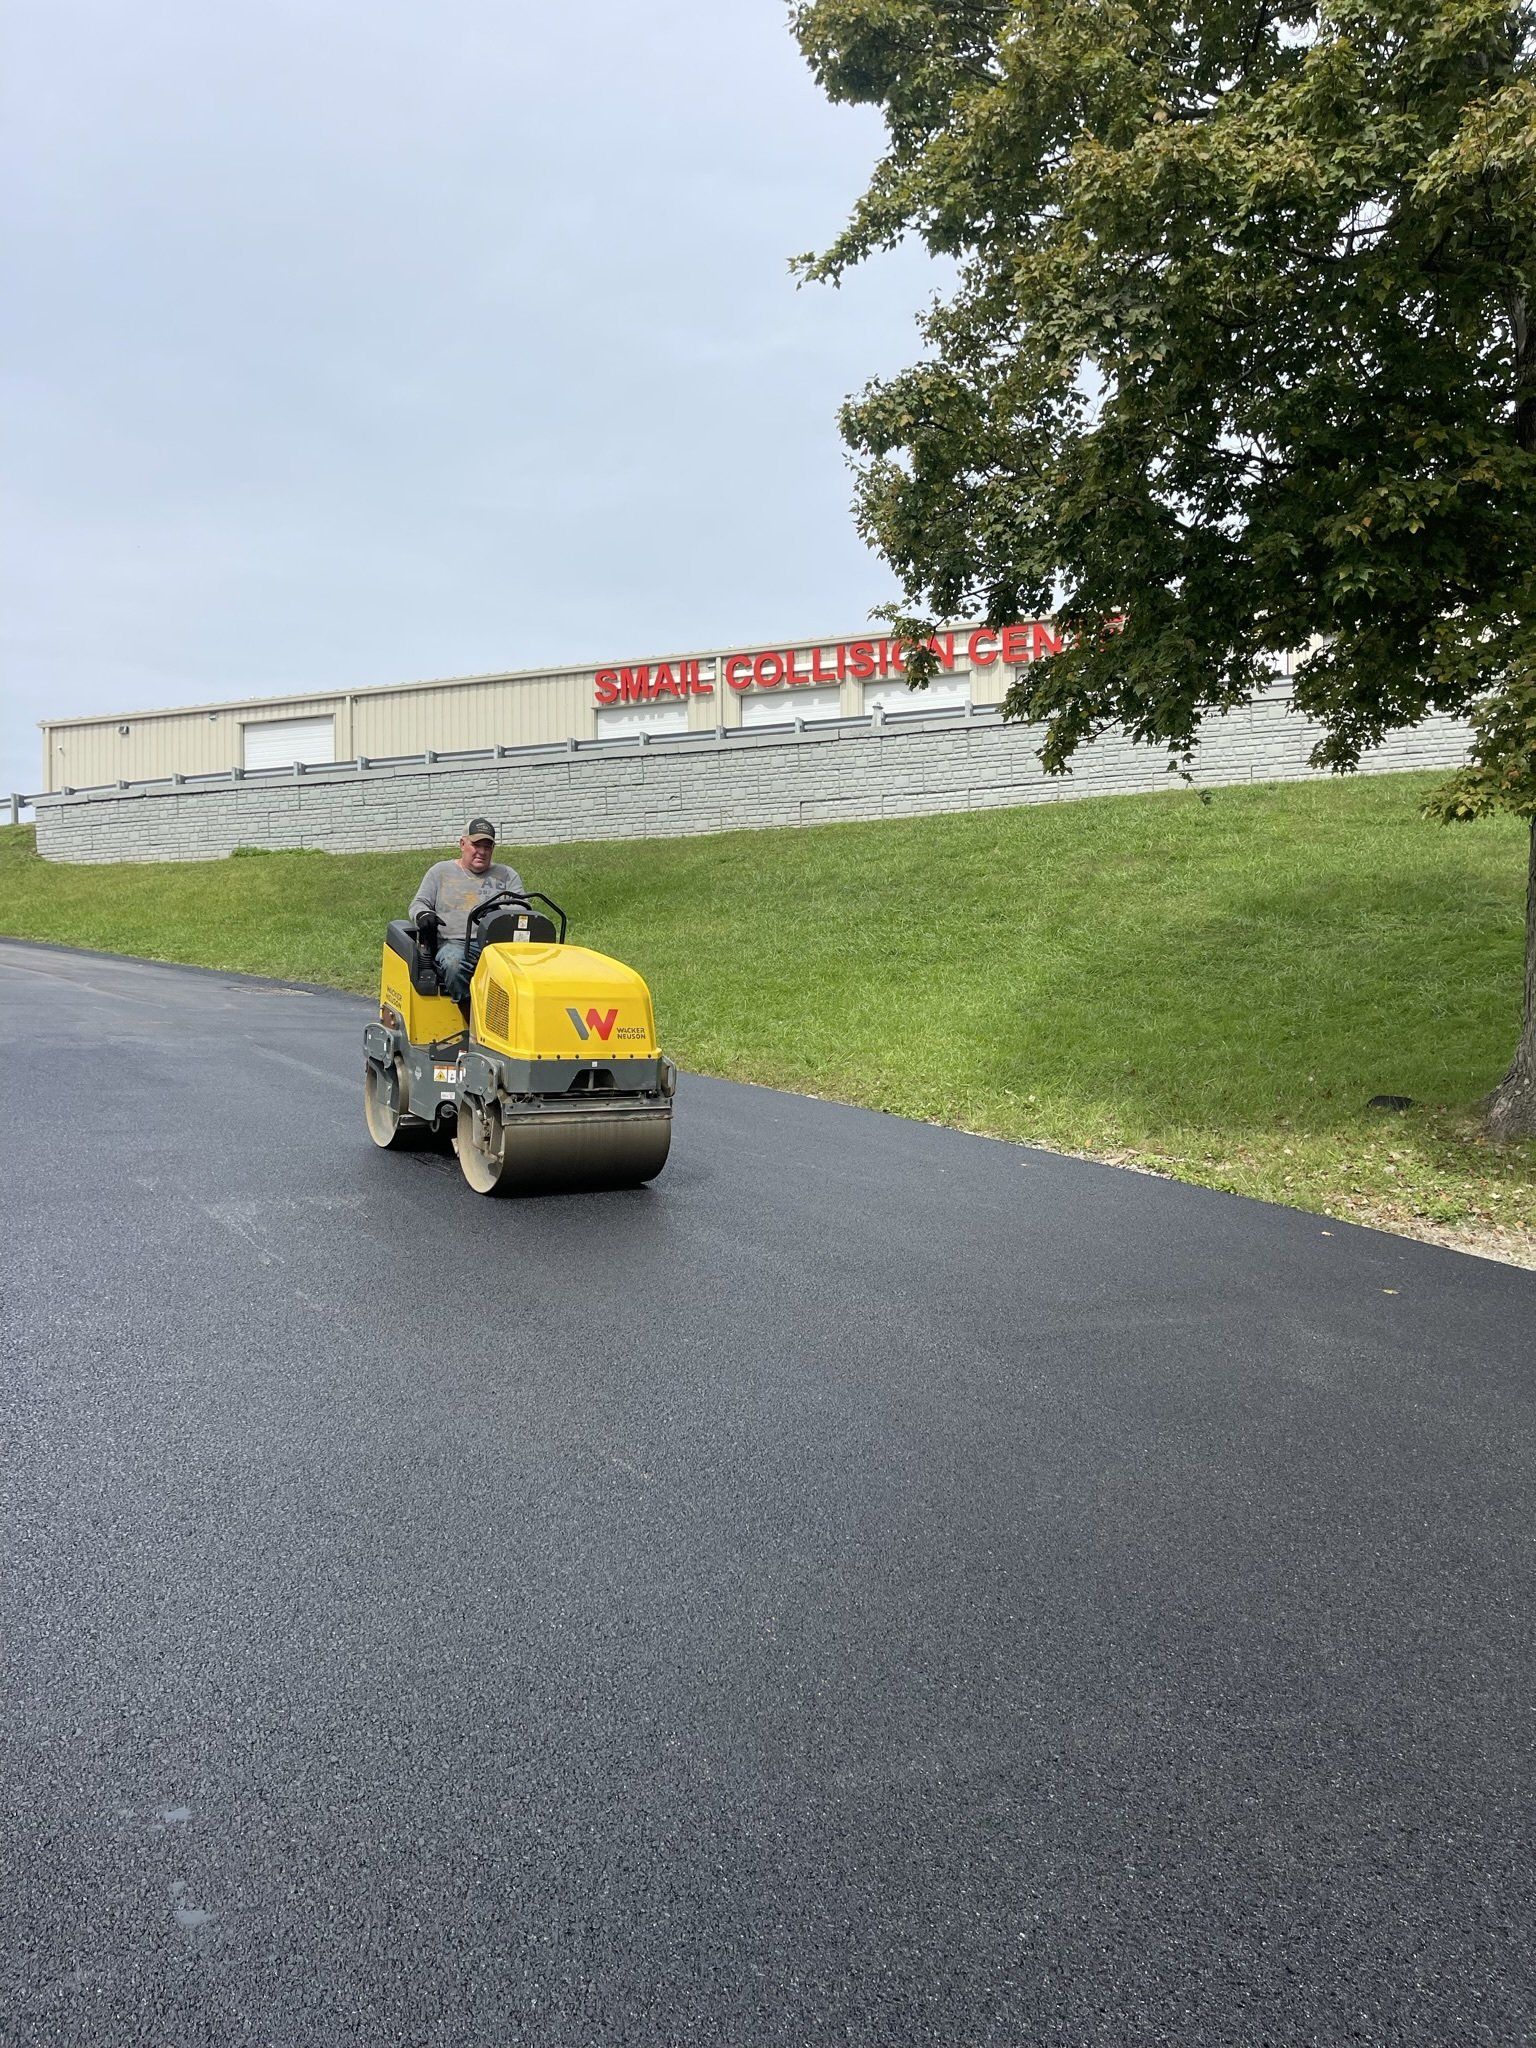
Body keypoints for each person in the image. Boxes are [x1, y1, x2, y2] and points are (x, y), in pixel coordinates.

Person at [408, 817, 526, 1001]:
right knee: (454, 964)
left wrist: (500, 912)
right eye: (476, 845)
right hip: (454, 943)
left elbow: (522, 909)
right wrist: (423, 914)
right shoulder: (440, 872)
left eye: (487, 846)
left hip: (499, 944)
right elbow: (419, 903)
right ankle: (471, 1014)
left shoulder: (507, 875)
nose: (482, 852)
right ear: (462, 844)